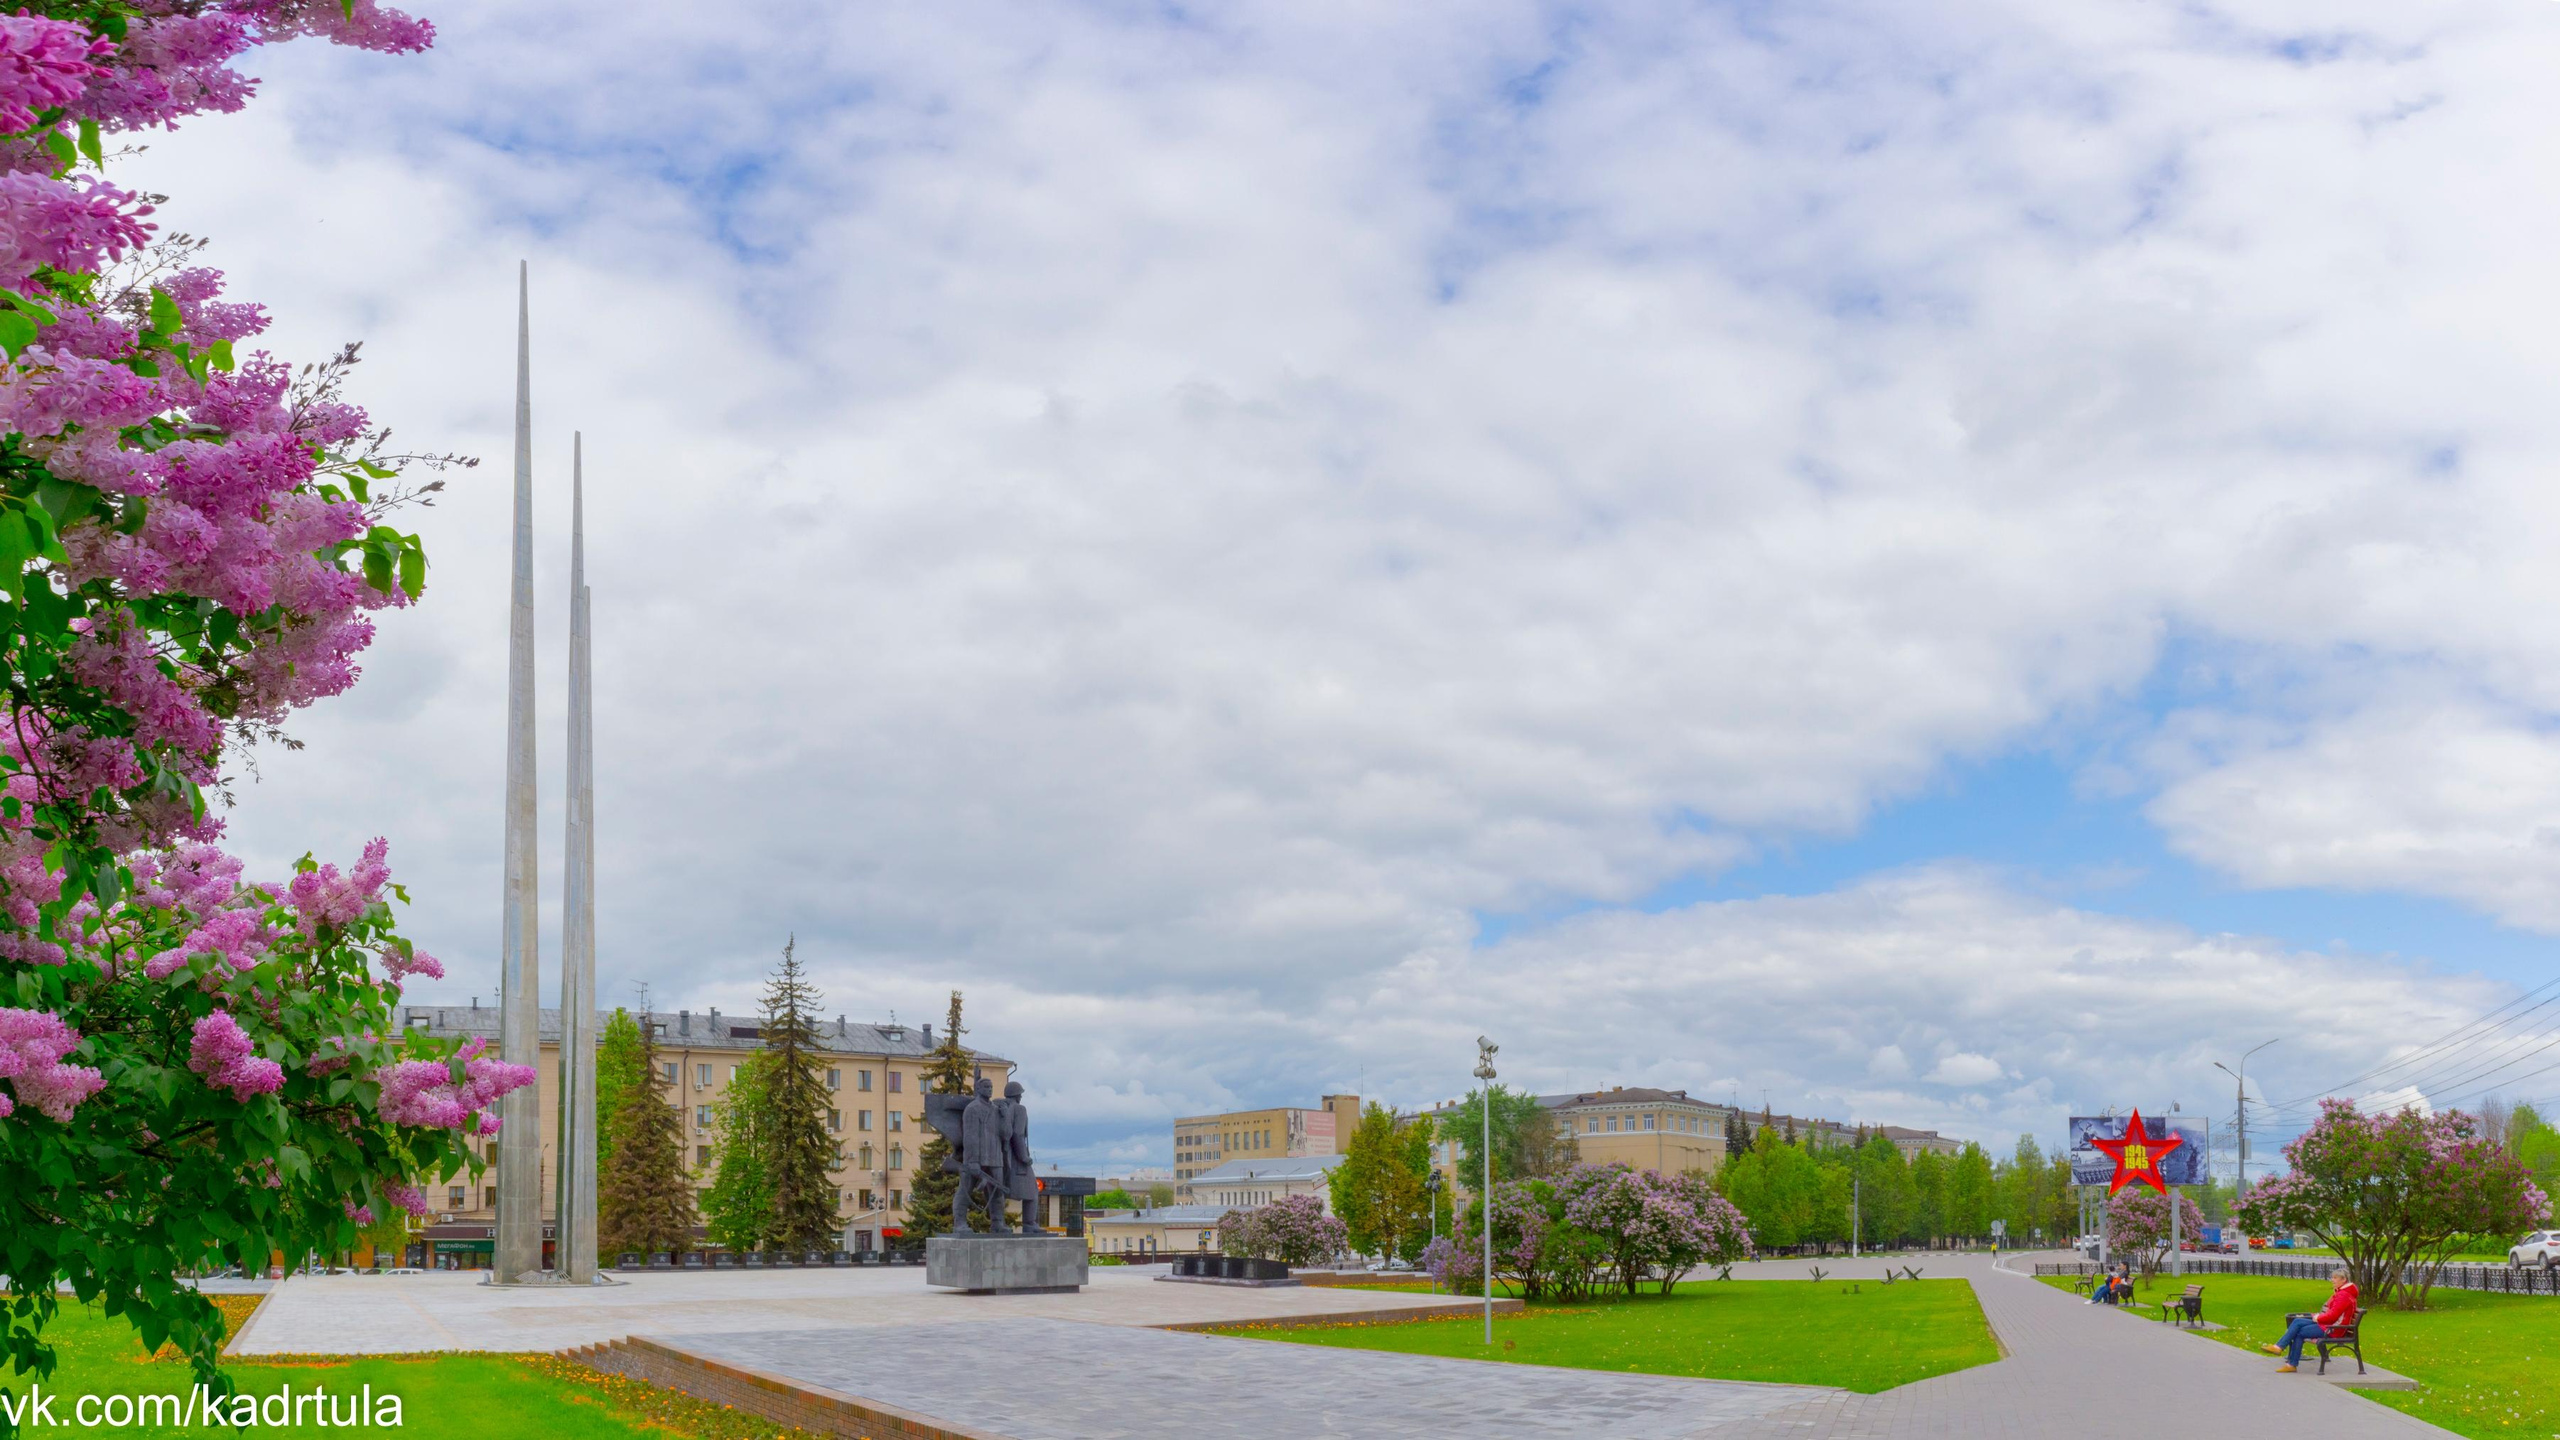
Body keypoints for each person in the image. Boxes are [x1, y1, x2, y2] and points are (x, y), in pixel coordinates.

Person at [2263, 1267, 2357, 1372]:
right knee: (2297, 1321)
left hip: (2333, 1329)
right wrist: (2317, 1316)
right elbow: (2330, 1312)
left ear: (2343, 1279)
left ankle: (2289, 1362)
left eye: (2335, 1278)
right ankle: (2280, 1349)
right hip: (2328, 1325)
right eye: (2332, 1277)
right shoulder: (2341, 1293)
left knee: (2299, 1333)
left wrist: (2318, 1318)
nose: (2332, 1280)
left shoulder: (2344, 1295)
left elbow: (2333, 1316)